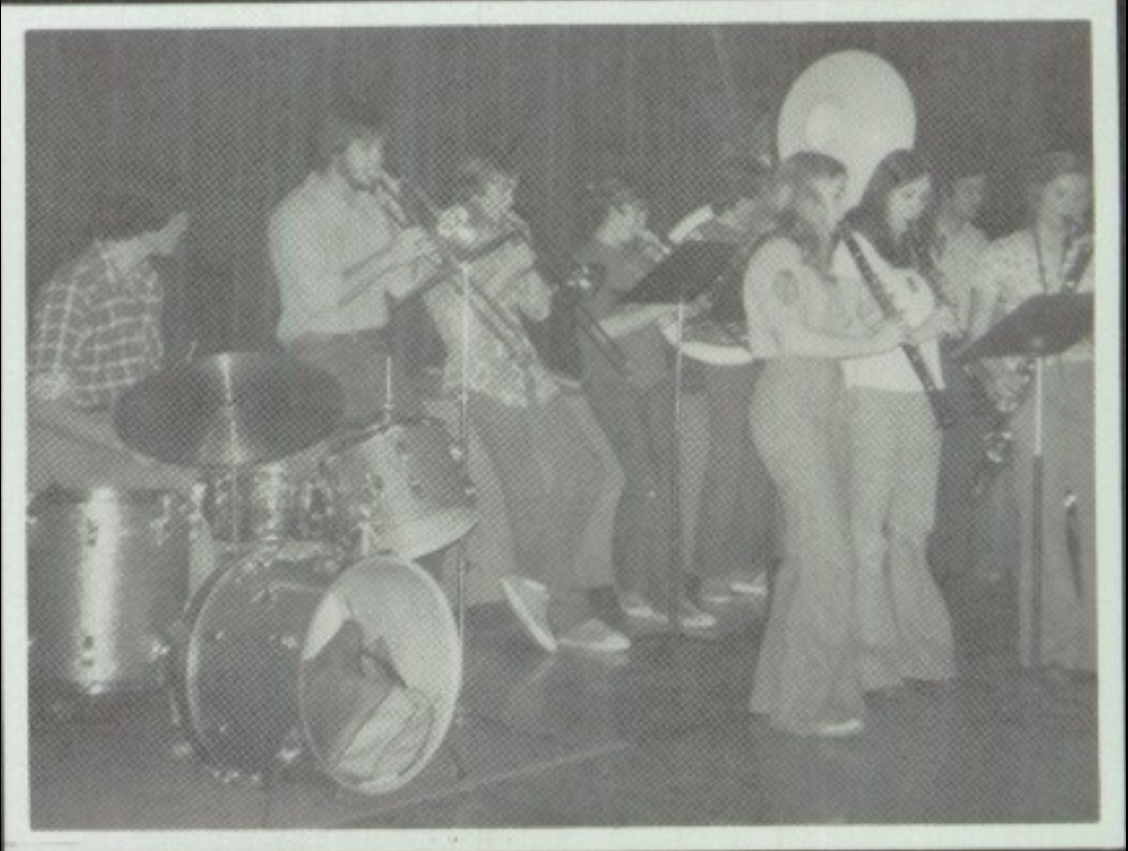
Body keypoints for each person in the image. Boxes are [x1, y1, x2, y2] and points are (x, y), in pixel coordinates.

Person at [422, 155, 630, 656]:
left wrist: (549, 283)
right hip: (479, 374)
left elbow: (535, 308)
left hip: (524, 365)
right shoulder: (445, 234)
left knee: (587, 470)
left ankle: (535, 580)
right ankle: (567, 611)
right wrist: (504, 270)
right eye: (498, 191)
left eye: (512, 189)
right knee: (528, 490)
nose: (509, 201)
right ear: (469, 192)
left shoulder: (513, 228)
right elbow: (456, 326)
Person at [744, 152, 906, 737]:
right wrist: (871, 343)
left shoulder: (820, 261)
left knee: (806, 559)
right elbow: (792, 339)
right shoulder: (776, 255)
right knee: (830, 558)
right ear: (805, 198)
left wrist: (874, 327)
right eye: (835, 194)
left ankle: (772, 692)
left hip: (826, 400)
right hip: (790, 404)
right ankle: (803, 708)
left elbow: (831, 335)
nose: (844, 205)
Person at [833, 149, 959, 694]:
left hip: (919, 398)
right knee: (868, 535)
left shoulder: (913, 250)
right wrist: (930, 324)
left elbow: (923, 322)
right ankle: (872, 663)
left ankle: (923, 654)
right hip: (873, 396)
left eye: (924, 196)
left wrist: (943, 318)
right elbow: (862, 327)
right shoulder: (852, 249)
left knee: (913, 530)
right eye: (908, 196)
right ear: (881, 192)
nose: (918, 206)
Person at [967, 151, 1095, 673]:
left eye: (1081, 194)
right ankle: (1053, 647)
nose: (1073, 204)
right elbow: (977, 338)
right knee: (1041, 519)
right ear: (1037, 193)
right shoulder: (1000, 254)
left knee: (1099, 513)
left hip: (1088, 382)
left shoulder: (1096, 251)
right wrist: (997, 381)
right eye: (1062, 192)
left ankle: (1099, 646)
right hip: (1031, 387)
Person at [572, 177, 717, 632]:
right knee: (645, 479)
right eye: (631, 213)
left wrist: (688, 292)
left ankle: (666, 590)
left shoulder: (638, 256)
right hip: (613, 382)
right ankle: (634, 585)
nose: (642, 221)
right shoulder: (589, 260)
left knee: (667, 480)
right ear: (609, 214)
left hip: (655, 376)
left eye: (642, 212)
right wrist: (659, 304)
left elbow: (675, 312)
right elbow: (603, 329)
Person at [269, 103, 438, 427]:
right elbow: (320, 300)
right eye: (367, 149)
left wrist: (407, 227)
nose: (378, 160)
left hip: (370, 349)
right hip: (318, 354)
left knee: (422, 440)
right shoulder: (295, 215)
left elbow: (400, 285)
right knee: (373, 453)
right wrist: (389, 255)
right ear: (335, 152)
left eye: (380, 149)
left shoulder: (372, 208)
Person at [27, 191, 193, 493]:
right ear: (149, 216)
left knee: (210, 469)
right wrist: (122, 440)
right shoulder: (74, 288)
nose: (185, 224)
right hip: (70, 440)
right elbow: (42, 407)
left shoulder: (148, 282)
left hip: (121, 432)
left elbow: (140, 385)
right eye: (179, 214)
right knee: (178, 486)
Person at [676, 157, 779, 605]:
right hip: (721, 354)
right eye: (762, 200)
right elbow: (686, 307)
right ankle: (710, 569)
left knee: (758, 462)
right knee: (727, 458)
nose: (769, 208)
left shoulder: (762, 236)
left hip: (757, 352)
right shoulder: (705, 235)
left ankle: (746, 562)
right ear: (743, 200)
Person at [925, 160, 1019, 586]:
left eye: (982, 192)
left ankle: (954, 557)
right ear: (946, 191)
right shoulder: (920, 236)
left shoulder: (981, 242)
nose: (978, 201)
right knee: (938, 459)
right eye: (969, 192)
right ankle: (936, 555)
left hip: (964, 352)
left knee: (965, 456)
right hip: (927, 351)